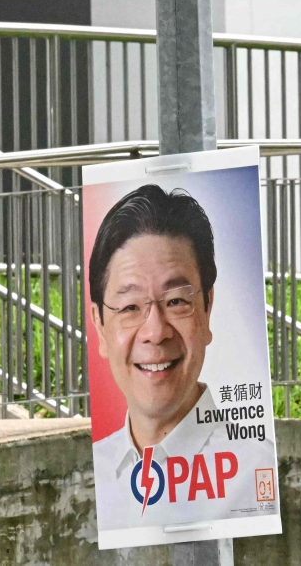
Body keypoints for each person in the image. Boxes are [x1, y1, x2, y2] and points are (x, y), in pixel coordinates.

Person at [88, 185, 275, 530]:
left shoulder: (259, 474)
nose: (156, 331)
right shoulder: (87, 479)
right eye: (130, 307)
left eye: (176, 301)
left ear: (208, 307)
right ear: (99, 324)